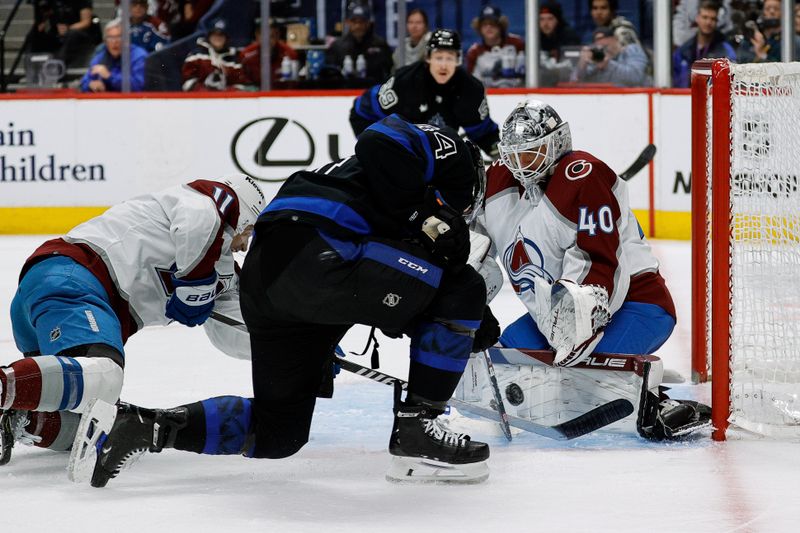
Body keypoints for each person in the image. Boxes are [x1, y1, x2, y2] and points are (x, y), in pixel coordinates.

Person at [70, 115, 499, 487]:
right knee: (465, 288)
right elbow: (377, 138)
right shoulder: (456, 158)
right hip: (320, 252)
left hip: (271, 275)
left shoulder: (380, 191)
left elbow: (415, 283)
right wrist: (423, 218)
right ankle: (418, 427)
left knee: (279, 434)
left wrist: (471, 322)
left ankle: (144, 427)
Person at [477, 99, 708, 438]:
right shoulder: (500, 182)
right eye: (514, 155)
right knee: (502, 364)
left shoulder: (583, 175)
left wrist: (577, 330)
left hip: (637, 306)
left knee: (578, 382)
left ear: (556, 142)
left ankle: (658, 401)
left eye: (531, 154)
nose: (521, 165)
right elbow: (474, 246)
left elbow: (599, 267)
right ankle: (625, 378)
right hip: (554, 317)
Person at [0, 174, 266, 467]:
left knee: (96, 418)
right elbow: (201, 221)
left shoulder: (223, 270)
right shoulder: (203, 202)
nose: (244, 245)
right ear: (241, 217)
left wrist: (302, 352)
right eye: (249, 231)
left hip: (56, 295)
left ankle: (21, 419)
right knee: (105, 376)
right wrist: (196, 283)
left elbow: (237, 331)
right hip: (73, 279)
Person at [350, 29, 500, 159]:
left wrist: (500, 154)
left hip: (442, 157)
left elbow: (483, 133)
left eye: (449, 58)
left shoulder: (470, 89)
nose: (443, 65)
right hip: (403, 154)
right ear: (428, 58)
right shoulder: (404, 82)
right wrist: (373, 146)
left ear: (458, 60)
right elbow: (361, 113)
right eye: (438, 57)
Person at [325, 3, 393, 87]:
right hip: (343, 92)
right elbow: (330, 74)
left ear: (368, 23)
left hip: (373, 90)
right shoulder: (337, 46)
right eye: (354, 22)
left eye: (361, 22)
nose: (358, 26)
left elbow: (389, 71)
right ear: (347, 22)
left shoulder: (380, 45)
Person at [673, 1, 737, 88]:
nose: (708, 22)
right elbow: (675, 82)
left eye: (713, 19)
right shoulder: (683, 51)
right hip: (685, 97)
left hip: (714, 99)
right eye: (705, 17)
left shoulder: (726, 51)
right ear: (697, 18)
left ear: (717, 22)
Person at [181, 18, 251, 92]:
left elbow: (242, 84)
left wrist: (225, 94)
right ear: (209, 36)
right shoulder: (196, 56)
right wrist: (206, 93)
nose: (218, 38)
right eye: (214, 34)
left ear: (226, 38)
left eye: (221, 35)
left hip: (226, 101)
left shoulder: (234, 59)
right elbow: (187, 82)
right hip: (200, 100)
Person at [80, 19, 148, 93]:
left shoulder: (139, 56)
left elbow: (139, 85)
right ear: (105, 41)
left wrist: (109, 77)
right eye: (110, 38)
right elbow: (84, 82)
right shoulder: (99, 58)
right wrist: (90, 85)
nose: (114, 42)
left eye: (119, 37)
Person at [465, 5, 526, 88]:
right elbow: (469, 83)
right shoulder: (474, 52)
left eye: (492, 23)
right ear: (479, 28)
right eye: (484, 24)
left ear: (500, 25)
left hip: (517, 94)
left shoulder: (517, 43)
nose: (488, 27)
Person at [570, 25, 651, 87]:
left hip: (639, 98)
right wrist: (582, 64)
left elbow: (636, 77)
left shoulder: (631, 50)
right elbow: (575, 83)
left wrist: (608, 64)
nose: (600, 43)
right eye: (597, 41)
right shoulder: (596, 57)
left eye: (603, 38)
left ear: (614, 39)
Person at [30, 0, 101, 68]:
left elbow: (86, 22)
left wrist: (68, 29)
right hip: (56, 32)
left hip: (79, 33)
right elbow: (44, 18)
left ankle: (58, 65)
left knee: (72, 34)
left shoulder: (82, 1)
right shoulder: (51, 2)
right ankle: (33, 66)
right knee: (35, 33)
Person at [735, 0, 800, 63]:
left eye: (776, 8)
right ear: (762, 12)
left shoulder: (791, 42)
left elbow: (788, 69)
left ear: (783, 13)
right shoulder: (751, 39)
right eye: (768, 9)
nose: (772, 11)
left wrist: (762, 54)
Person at [240, 20, 298, 87]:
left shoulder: (290, 54)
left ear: (277, 36)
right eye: (264, 36)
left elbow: (294, 85)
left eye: (271, 36)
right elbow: (243, 83)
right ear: (257, 36)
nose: (267, 41)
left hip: (281, 94)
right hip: (255, 94)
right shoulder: (246, 55)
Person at [538, 1, 580, 87]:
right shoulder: (534, 37)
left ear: (558, 20)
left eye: (550, 19)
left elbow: (572, 64)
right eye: (541, 19)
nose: (545, 24)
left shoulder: (569, 36)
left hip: (566, 82)